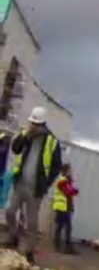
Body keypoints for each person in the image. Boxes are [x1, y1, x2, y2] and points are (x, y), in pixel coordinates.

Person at [3, 107, 63, 265]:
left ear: (43, 125)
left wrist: (46, 184)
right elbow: (15, 149)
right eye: (32, 123)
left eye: (37, 125)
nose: (34, 127)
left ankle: (29, 251)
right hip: (20, 183)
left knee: (31, 222)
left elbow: (57, 166)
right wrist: (24, 135)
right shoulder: (27, 135)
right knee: (9, 211)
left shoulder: (52, 142)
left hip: (35, 189)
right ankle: (13, 236)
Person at [53, 163, 79, 254]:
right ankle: (65, 247)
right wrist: (74, 189)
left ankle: (59, 246)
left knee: (62, 227)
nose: (71, 172)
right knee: (66, 227)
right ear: (65, 171)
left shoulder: (66, 181)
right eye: (69, 171)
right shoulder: (62, 181)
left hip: (65, 207)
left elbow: (71, 192)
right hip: (61, 207)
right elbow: (69, 191)